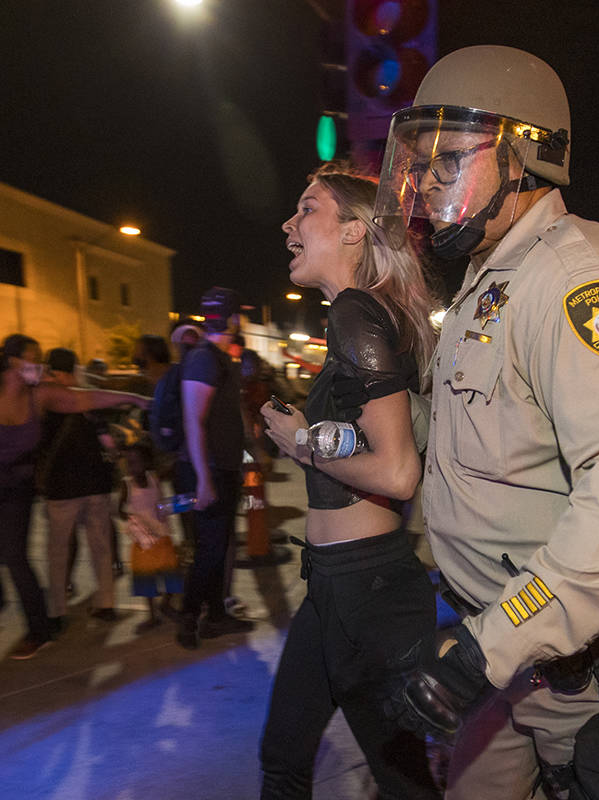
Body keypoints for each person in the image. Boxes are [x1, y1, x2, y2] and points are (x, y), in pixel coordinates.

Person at [371, 46, 599, 798]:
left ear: (527, 156)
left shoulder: (579, 279)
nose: (428, 188)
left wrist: (485, 648)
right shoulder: (489, 281)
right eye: (420, 166)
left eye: (449, 163)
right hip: (498, 651)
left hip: (577, 667)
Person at [257, 167, 440, 799]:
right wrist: (318, 432)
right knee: (286, 755)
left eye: (307, 210)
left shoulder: (356, 312)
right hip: (339, 583)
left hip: (366, 589)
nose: (289, 225)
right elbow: (377, 439)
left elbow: (396, 470)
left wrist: (299, 443)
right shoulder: (375, 313)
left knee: (399, 782)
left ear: (355, 231)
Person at [0, 334, 148, 659]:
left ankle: (40, 629)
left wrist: (132, 397)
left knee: (14, 555)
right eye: (33, 359)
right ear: (12, 361)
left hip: (14, 487)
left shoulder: (40, 395)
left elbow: (85, 398)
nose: (39, 366)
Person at [172, 287, 254, 649]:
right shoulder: (203, 359)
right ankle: (189, 619)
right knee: (208, 548)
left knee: (218, 547)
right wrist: (204, 479)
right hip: (206, 470)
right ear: (234, 319)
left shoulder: (221, 358)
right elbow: (194, 421)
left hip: (223, 467)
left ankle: (216, 615)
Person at [38, 347, 119, 626]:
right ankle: (105, 603)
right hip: (95, 483)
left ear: (55, 371)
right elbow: (107, 441)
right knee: (101, 546)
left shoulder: (47, 402)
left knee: (58, 549)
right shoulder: (90, 399)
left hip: (62, 487)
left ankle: (58, 609)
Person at [118, 442, 182, 632]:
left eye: (136, 462)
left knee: (173, 576)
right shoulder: (127, 485)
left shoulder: (154, 479)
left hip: (162, 537)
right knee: (146, 581)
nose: (132, 466)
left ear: (146, 462)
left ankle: (165, 604)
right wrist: (132, 521)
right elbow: (119, 509)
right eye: (129, 462)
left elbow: (162, 500)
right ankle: (153, 615)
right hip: (143, 542)